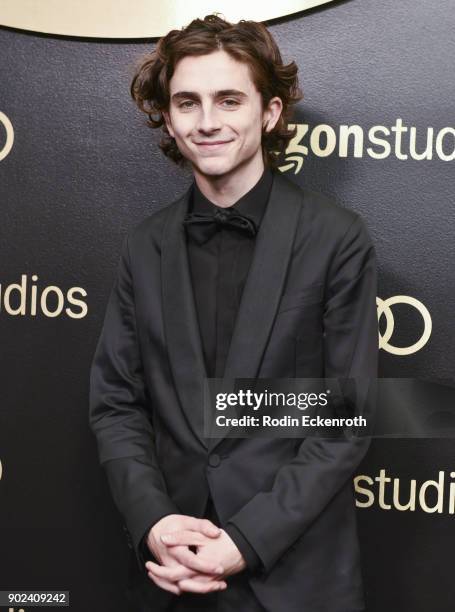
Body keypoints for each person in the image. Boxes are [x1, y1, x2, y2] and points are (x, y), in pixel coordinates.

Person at [89, 13, 378, 612]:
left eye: (229, 99)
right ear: (167, 118)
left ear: (269, 112)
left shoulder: (336, 238)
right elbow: (116, 402)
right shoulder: (144, 245)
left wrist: (246, 539)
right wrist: (155, 524)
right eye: (187, 102)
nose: (208, 121)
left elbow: (343, 420)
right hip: (170, 574)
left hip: (293, 577)